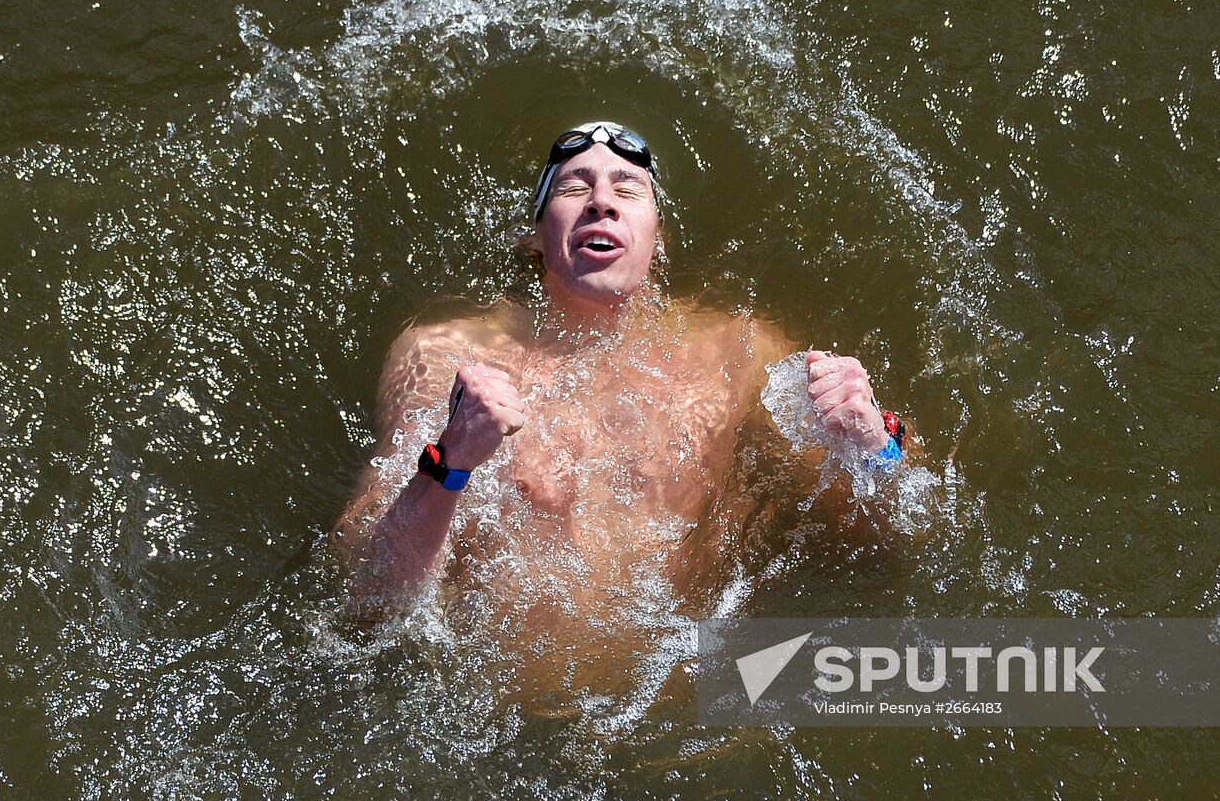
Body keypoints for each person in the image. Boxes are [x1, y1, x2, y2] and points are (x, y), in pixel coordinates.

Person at [331, 122, 908, 620]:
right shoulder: (447, 354)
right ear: (535, 239)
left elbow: (886, 545)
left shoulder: (737, 350)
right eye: (574, 188)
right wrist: (451, 460)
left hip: (681, 703)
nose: (601, 200)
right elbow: (368, 592)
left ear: (657, 239)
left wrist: (871, 445)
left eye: (627, 189)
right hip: (485, 718)